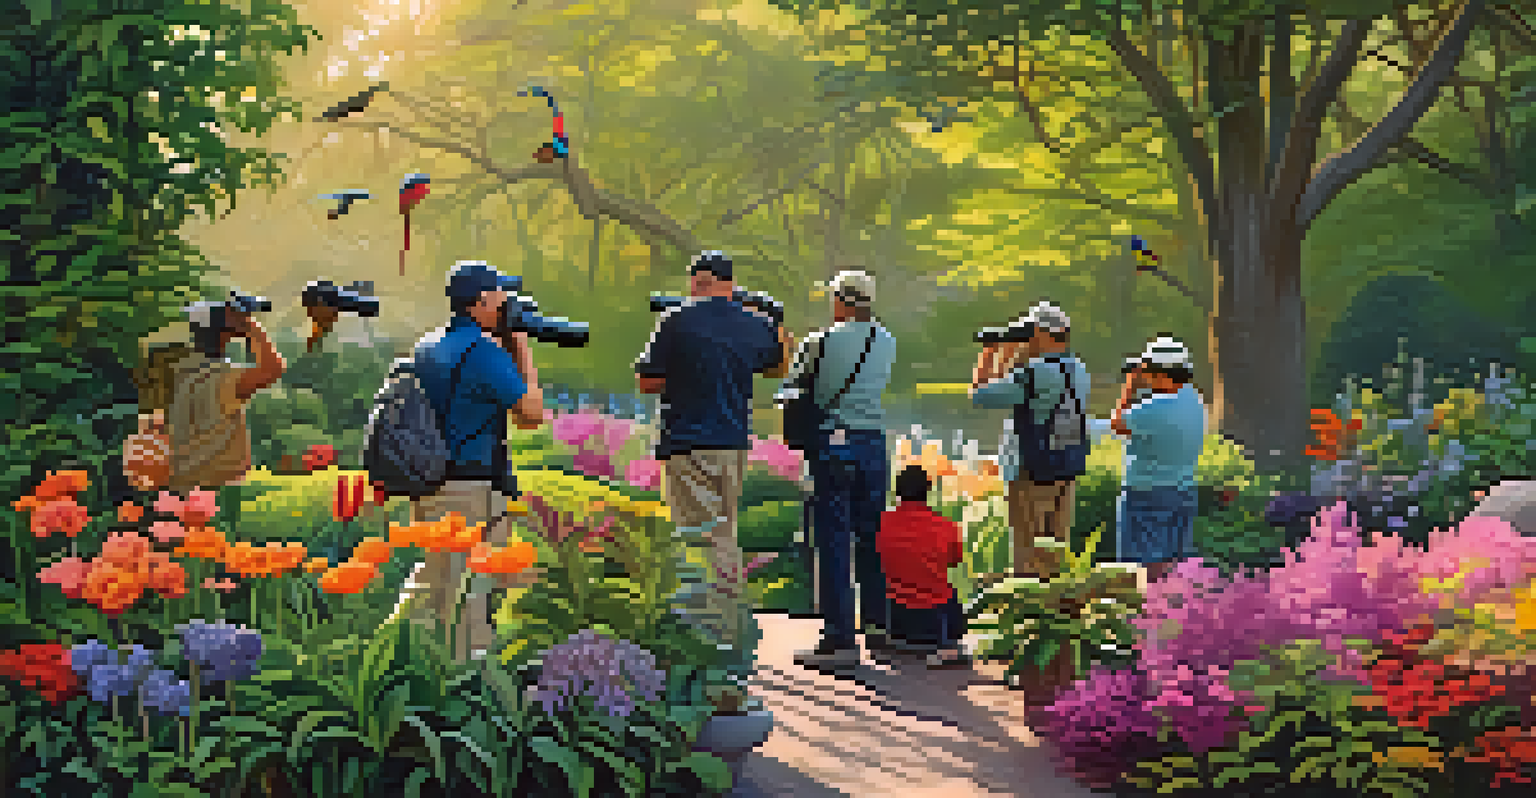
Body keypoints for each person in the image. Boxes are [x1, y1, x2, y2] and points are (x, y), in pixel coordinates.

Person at [634, 251, 794, 649]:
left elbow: (647, 382)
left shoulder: (676, 319)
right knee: (724, 531)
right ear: (731, 284)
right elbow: (776, 369)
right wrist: (778, 333)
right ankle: (729, 620)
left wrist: (682, 373)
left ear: (696, 282)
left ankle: (706, 630)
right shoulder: (754, 323)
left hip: (686, 439)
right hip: (732, 441)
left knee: (694, 535)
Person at [407, 261, 549, 661]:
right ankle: (469, 685)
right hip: (471, 488)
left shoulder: (428, 344)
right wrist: (520, 343)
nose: (507, 303)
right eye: (501, 295)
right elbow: (532, 414)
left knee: (432, 587)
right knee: (474, 591)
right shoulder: (483, 352)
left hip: (430, 481)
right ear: (483, 301)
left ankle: (409, 667)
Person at [783, 270, 898, 671]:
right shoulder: (887, 341)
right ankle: (879, 629)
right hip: (873, 445)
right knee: (870, 537)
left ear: (840, 301)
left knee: (832, 541)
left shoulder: (820, 341)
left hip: (833, 445)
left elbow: (792, 390)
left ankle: (838, 640)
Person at [969, 301, 1091, 578]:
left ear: (1041, 332)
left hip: (1031, 472)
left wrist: (990, 353)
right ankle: (1054, 611)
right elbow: (1010, 389)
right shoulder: (1078, 369)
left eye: (1029, 330)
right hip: (1066, 467)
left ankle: (1031, 616)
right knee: (1054, 553)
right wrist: (1014, 354)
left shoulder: (1035, 373)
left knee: (1027, 554)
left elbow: (980, 395)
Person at [153, 295, 287, 495]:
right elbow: (273, 369)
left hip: (179, 483)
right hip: (216, 487)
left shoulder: (178, 371)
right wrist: (251, 326)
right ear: (227, 333)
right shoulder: (222, 376)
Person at [1110, 335, 1207, 585]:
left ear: (1162, 373)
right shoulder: (1194, 400)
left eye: (1149, 372)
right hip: (1183, 490)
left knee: (1141, 566)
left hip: (1146, 493)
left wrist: (1129, 385)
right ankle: (1173, 615)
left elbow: (1117, 424)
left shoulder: (1156, 407)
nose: (1146, 377)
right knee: (1174, 563)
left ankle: (1145, 617)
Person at [877, 465, 969, 668]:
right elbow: (954, 561)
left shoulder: (882, 522)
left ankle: (895, 640)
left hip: (894, 614)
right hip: (935, 617)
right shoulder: (946, 525)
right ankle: (948, 646)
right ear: (927, 492)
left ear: (897, 491)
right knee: (949, 591)